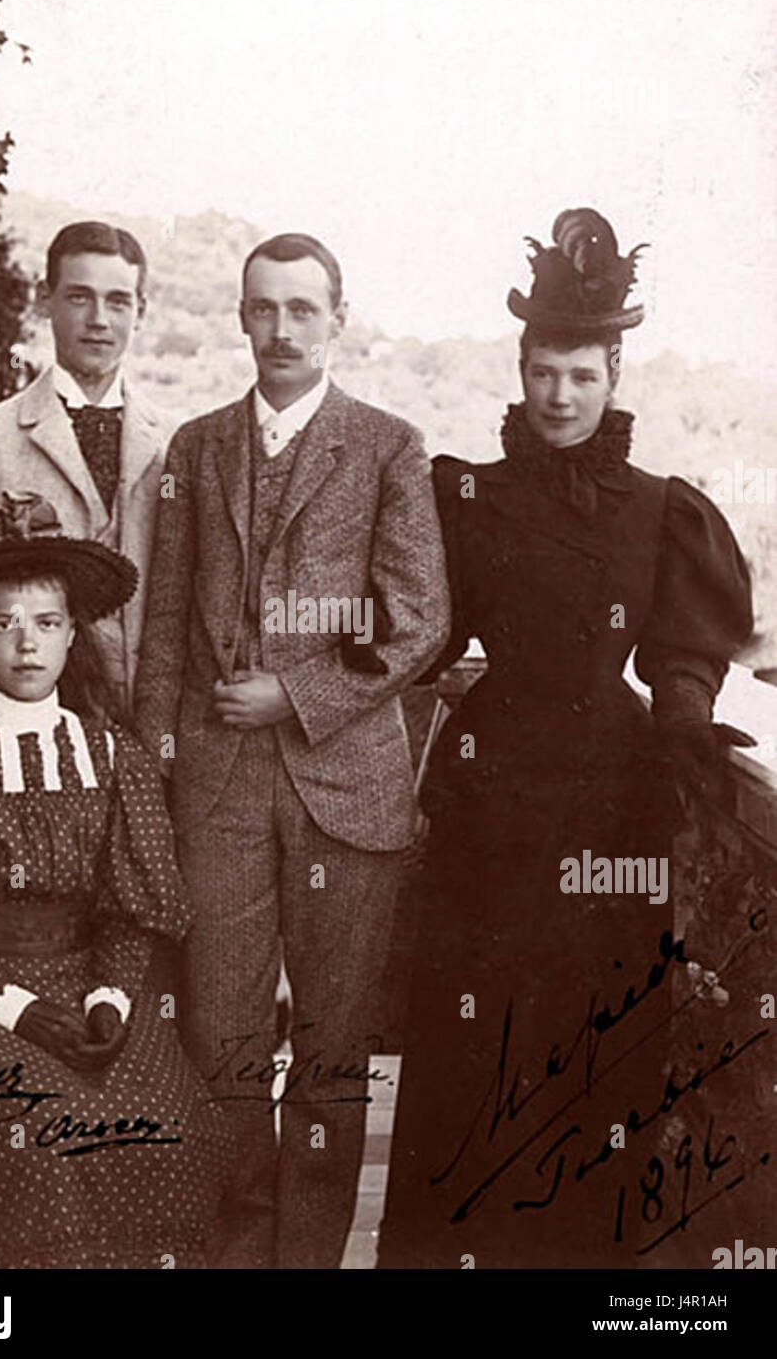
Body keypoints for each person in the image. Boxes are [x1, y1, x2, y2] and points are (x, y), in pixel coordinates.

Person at [377, 208, 754, 1269]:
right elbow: (420, 632)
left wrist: (682, 717)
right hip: (489, 801)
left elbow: (682, 650)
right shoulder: (467, 497)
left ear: (612, 374)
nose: (558, 396)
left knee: (596, 1046)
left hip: (612, 802)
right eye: (544, 373)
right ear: (520, 367)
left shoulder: (658, 508)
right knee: (473, 1039)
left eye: (581, 376)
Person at [133, 232, 450, 1269]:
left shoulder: (388, 446)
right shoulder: (194, 449)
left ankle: (307, 1258)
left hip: (346, 792)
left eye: (301, 310)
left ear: (336, 321)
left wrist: (296, 694)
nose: (279, 330)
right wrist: (155, 773)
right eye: (262, 309)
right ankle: (234, 1257)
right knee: (218, 1041)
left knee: (331, 1052)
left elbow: (417, 622)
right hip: (215, 793)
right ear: (238, 316)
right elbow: (166, 633)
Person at [0, 491, 233, 1268]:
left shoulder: (111, 755)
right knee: (43, 1138)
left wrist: (108, 997)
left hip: (86, 988)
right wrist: (21, 1012)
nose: (26, 645)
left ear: (71, 636)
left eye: (46, 623)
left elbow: (132, 912)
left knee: (172, 1123)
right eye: (5, 625)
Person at [0, 221, 167, 723]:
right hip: (22, 748)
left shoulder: (175, 444)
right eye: (79, 297)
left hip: (149, 750)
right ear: (45, 302)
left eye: (118, 301)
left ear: (141, 311)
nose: (99, 320)